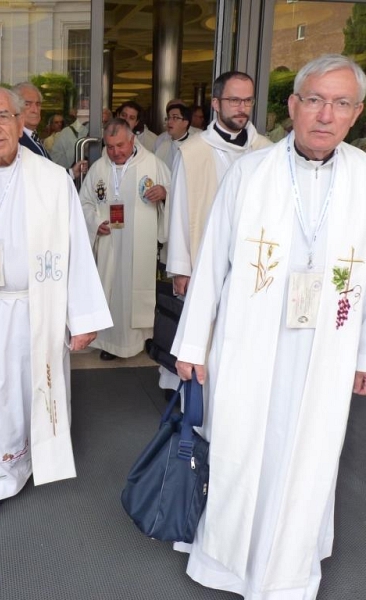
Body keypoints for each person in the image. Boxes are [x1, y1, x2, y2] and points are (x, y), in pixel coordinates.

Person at [172, 53, 366, 600]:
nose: (326, 114)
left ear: (356, 113)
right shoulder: (251, 173)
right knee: (239, 445)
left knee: (311, 451)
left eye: (341, 103)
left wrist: (362, 355)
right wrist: (192, 344)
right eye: (316, 100)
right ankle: (228, 562)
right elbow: (211, 262)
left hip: (326, 345)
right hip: (250, 342)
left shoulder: (365, 178)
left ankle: (288, 569)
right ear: (293, 106)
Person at [0, 86, 112, 529]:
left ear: (19, 121)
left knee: (33, 392)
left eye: (3, 117)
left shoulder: (53, 182)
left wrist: (82, 316)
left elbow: (75, 251)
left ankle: (27, 461)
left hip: (38, 309)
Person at [167, 70, 271, 297]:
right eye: (234, 100)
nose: (242, 107)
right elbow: (179, 212)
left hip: (253, 260)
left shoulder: (266, 150)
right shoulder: (192, 151)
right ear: (215, 103)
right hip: (208, 256)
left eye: (247, 100)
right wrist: (180, 268)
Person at [79, 118, 170, 360]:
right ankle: (111, 343)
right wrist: (95, 223)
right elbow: (84, 202)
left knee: (136, 291)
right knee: (110, 289)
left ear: (132, 140)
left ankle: (142, 339)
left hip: (140, 243)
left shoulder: (153, 164)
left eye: (120, 145)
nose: (115, 152)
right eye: (110, 147)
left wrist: (164, 194)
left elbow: (175, 199)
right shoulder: (99, 168)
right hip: (108, 243)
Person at [13, 82, 51, 158]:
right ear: (14, 107)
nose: (35, 110)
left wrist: (71, 170)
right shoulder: (13, 141)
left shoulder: (33, 136)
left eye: (38, 104)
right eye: (27, 104)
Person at [155, 103, 192, 170]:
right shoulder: (163, 145)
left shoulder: (193, 145)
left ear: (185, 123)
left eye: (175, 118)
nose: (169, 121)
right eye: (169, 118)